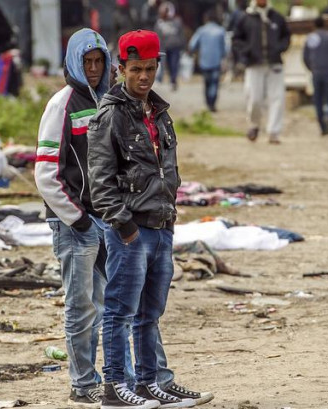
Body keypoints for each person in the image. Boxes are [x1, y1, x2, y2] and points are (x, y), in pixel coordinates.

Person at [88, 29, 213, 408]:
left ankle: (149, 383)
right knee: (120, 312)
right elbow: (100, 180)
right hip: (131, 231)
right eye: (136, 69)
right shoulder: (110, 116)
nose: (144, 76)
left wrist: (169, 219)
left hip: (161, 226)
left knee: (149, 314)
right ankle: (115, 387)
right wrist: (124, 227)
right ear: (121, 69)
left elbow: (166, 170)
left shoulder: (159, 112)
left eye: (150, 68)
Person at [34, 28, 116, 406]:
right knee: (80, 307)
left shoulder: (107, 101)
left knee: (102, 306)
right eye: (88, 62)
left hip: (103, 222)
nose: (95, 68)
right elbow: (46, 173)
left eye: (99, 61)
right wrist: (78, 218)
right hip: (74, 226)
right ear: (74, 62)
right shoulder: (61, 104)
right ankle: (82, 384)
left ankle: (98, 380)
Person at [232, 0, 291, 144]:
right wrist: (247, 51)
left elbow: (286, 37)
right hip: (254, 64)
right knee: (254, 98)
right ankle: (254, 125)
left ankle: (273, 132)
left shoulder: (276, 17)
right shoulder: (245, 18)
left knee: (277, 98)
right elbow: (236, 39)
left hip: (275, 63)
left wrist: (279, 48)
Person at [303, 16, 328, 135]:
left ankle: (322, 125)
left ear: (314, 25)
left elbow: (305, 57)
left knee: (318, 98)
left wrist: (311, 68)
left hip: (316, 71)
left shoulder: (311, 37)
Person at [188, 10, 229, 112]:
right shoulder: (220, 30)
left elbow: (192, 44)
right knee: (214, 83)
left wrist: (192, 52)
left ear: (206, 19)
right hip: (216, 61)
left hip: (204, 61)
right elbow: (226, 48)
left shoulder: (201, 30)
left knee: (207, 83)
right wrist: (223, 57)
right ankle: (212, 103)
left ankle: (208, 102)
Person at [154, 2, 185, 92]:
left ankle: (173, 81)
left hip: (175, 46)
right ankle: (159, 79)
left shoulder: (177, 21)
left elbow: (181, 34)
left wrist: (183, 46)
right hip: (163, 47)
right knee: (161, 64)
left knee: (174, 65)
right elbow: (157, 35)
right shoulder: (159, 22)